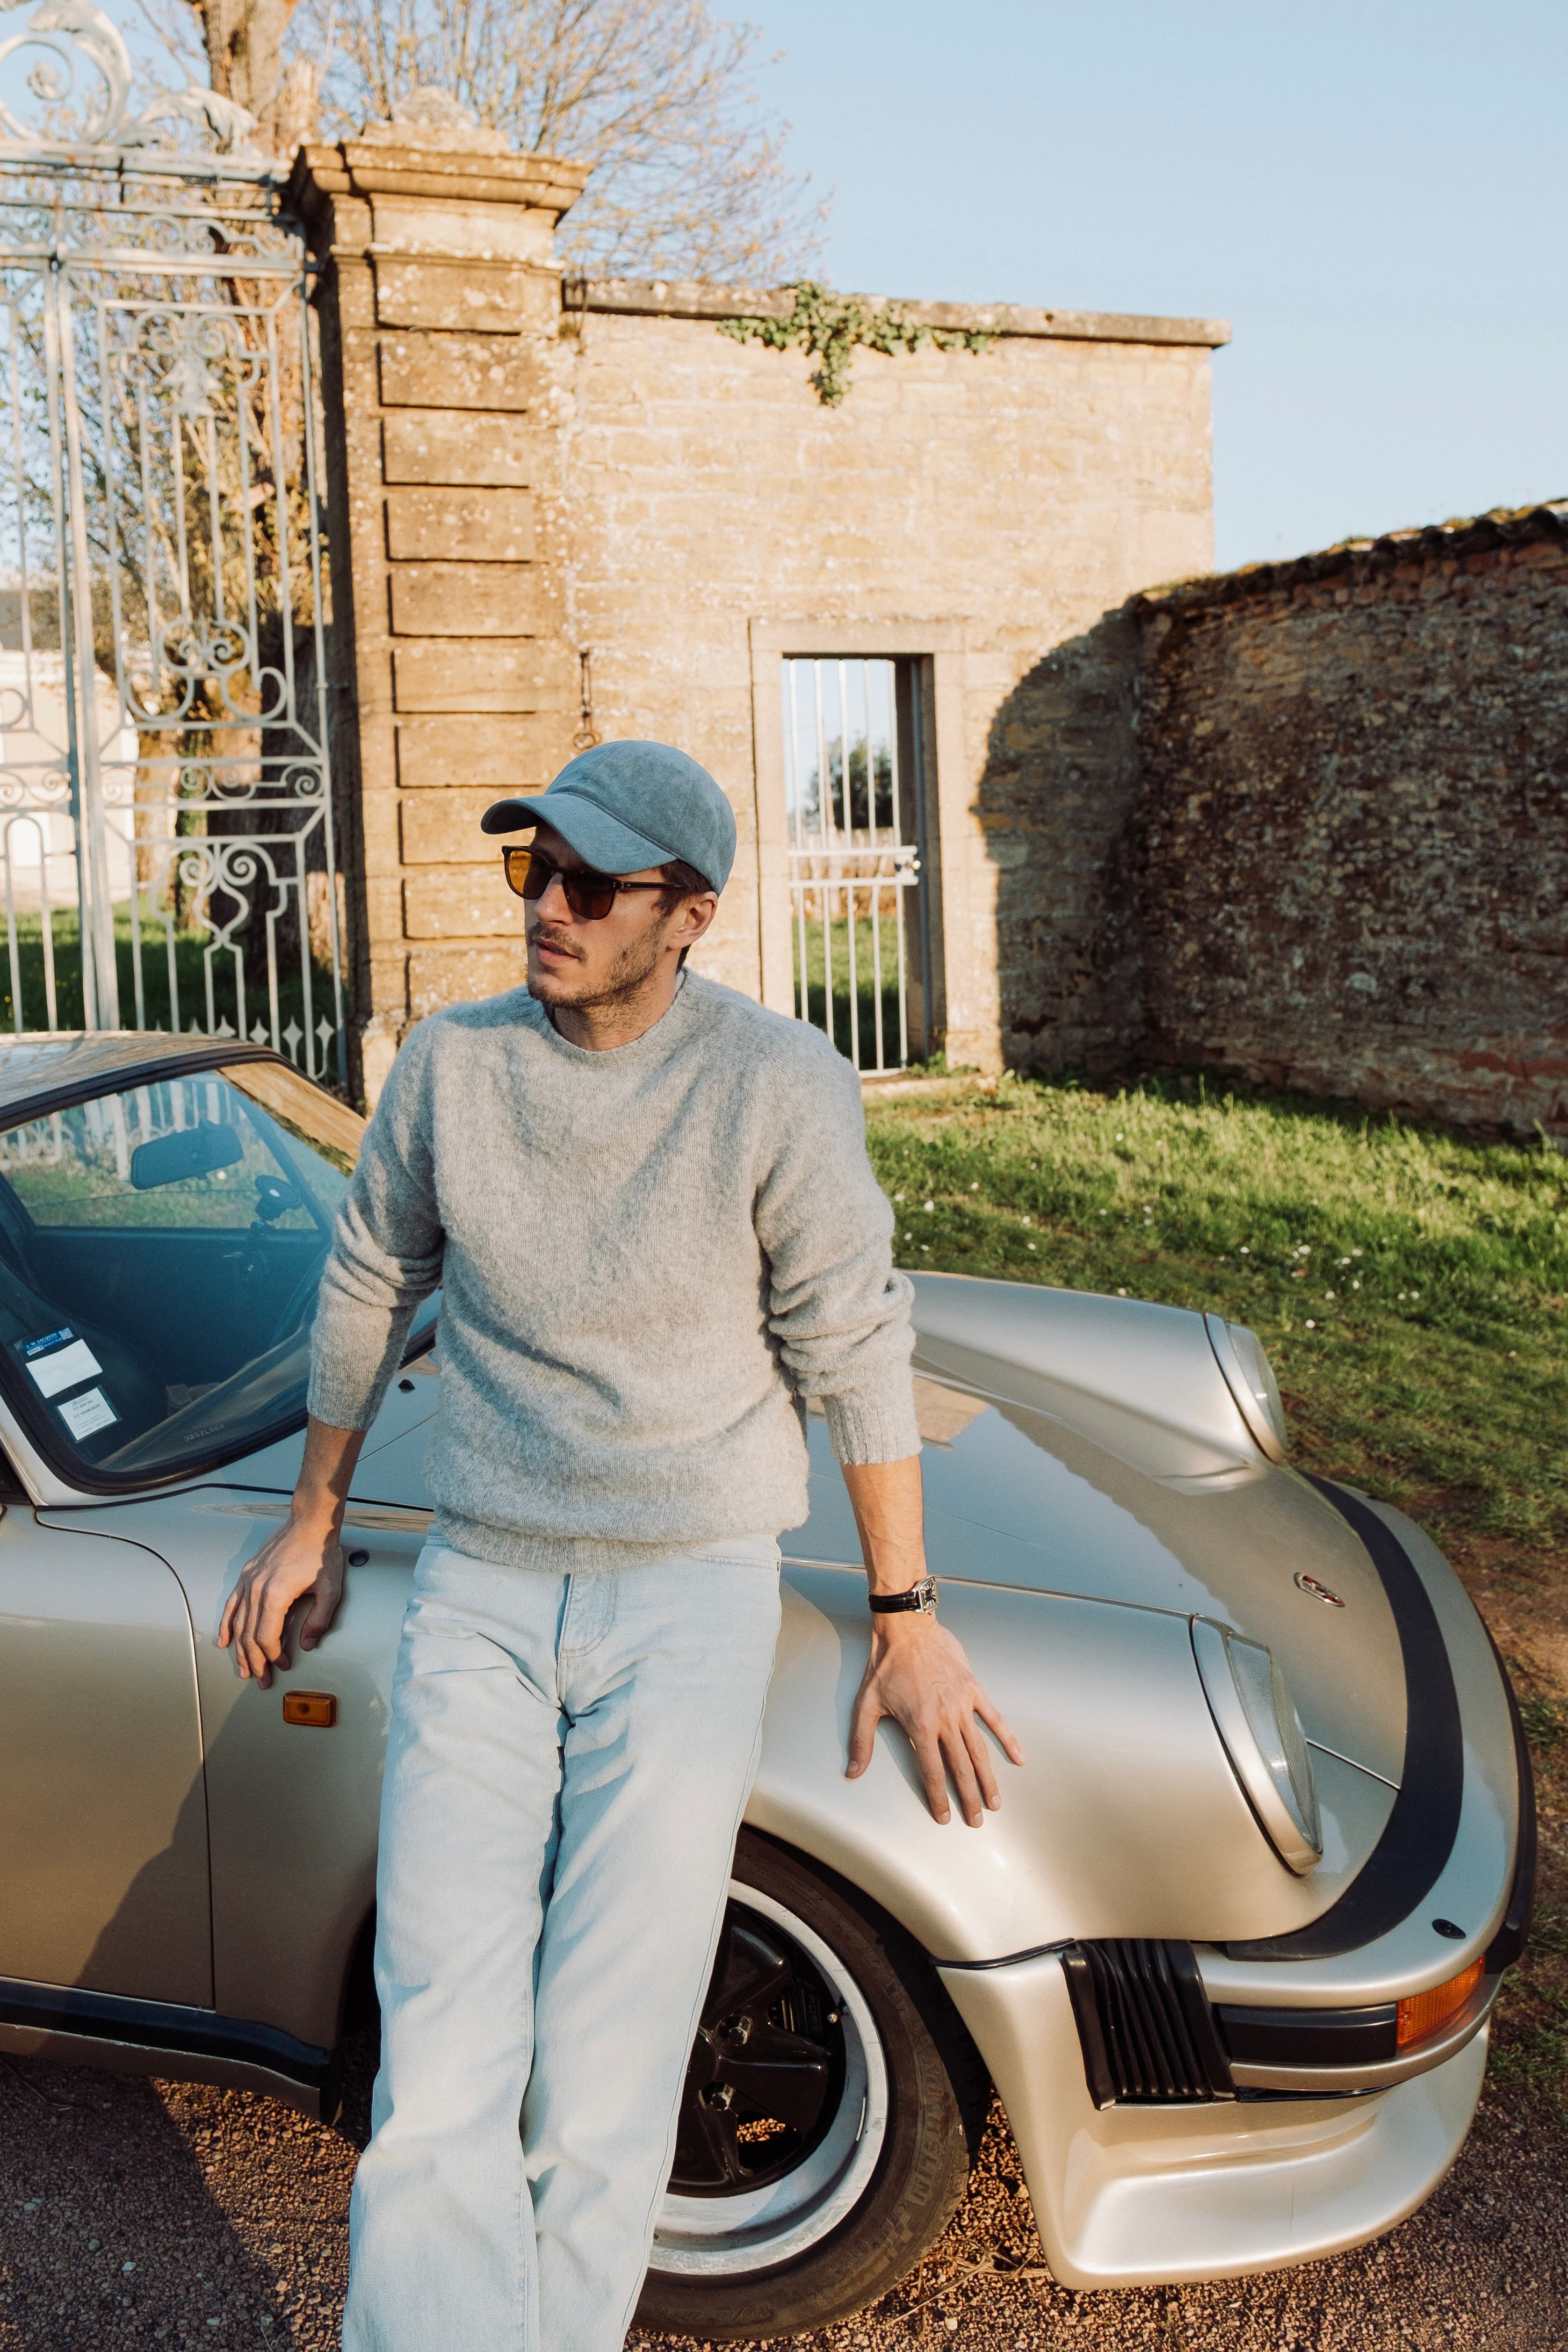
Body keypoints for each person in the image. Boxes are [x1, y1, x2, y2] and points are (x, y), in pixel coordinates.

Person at [218, 739, 1022, 2352]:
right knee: (438, 2046)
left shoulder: (775, 1083)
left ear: (689, 914)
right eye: (536, 870)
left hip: (688, 1598)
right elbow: (370, 1277)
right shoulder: (451, 1066)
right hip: (484, 1583)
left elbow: (850, 1337)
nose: (551, 907)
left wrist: (905, 1611)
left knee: (606, 2068)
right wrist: (312, 1518)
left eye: (593, 884)